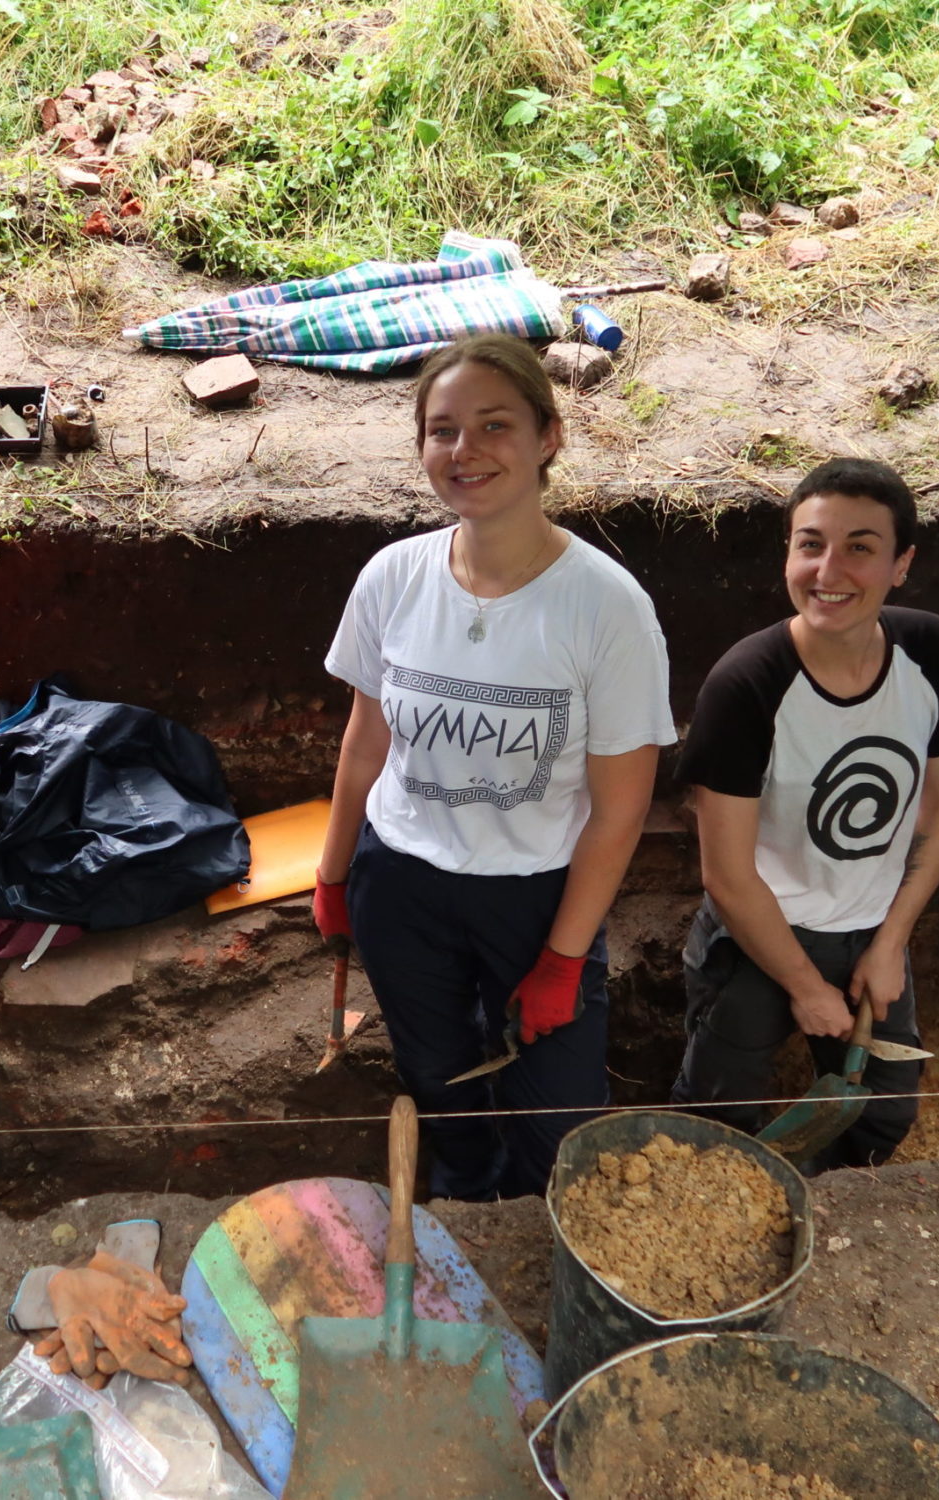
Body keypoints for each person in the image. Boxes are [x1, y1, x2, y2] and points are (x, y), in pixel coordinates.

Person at [312, 333, 676, 1200]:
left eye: (494, 425)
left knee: (556, 1118)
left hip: (535, 893)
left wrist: (561, 959)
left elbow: (621, 809)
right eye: (443, 431)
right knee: (440, 1084)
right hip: (400, 884)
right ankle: (467, 1210)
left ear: (548, 437)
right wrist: (333, 876)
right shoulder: (393, 577)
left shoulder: (605, 608)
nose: (465, 451)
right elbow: (366, 741)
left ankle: (539, 1223)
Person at [670, 457, 939, 1169]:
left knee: (881, 1113)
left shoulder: (931, 652)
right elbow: (727, 872)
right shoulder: (747, 684)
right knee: (718, 1115)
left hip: (872, 929)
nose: (828, 570)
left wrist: (889, 941)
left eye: (861, 548)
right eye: (810, 544)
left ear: (902, 563)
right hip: (758, 936)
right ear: (788, 552)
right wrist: (805, 990)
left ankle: (826, 1211)